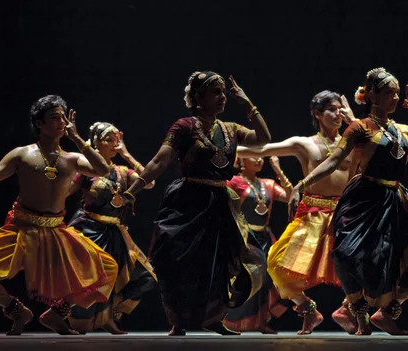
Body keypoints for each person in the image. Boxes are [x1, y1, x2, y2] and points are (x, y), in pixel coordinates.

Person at [0, 95, 119, 336]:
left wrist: (78, 139)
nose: (61, 122)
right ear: (39, 124)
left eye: (63, 117)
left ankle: (57, 315)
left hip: (55, 232)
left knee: (107, 269)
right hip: (21, 229)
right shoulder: (22, 155)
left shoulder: (72, 158)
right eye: (54, 118)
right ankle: (16, 309)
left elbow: (103, 169)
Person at [288, 68, 408, 336]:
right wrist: (301, 185)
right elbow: (333, 160)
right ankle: (359, 312)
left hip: (395, 202)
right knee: (345, 253)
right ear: (372, 95)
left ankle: (387, 312)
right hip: (362, 199)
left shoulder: (405, 131)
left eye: (397, 93)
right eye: (388, 93)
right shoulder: (359, 128)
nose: (395, 98)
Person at [122, 71, 272, 335]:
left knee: (220, 262)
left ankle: (215, 318)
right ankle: (179, 320)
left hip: (220, 203)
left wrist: (248, 104)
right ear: (197, 97)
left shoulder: (231, 129)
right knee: (178, 261)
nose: (223, 96)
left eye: (224, 92)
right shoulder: (184, 127)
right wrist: (132, 190)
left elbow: (263, 140)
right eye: (216, 91)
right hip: (188, 201)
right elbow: (159, 161)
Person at [237, 90, 359, 334]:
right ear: (317, 114)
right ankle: (306, 309)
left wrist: (353, 119)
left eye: (339, 109)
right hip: (312, 213)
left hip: (345, 213)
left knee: (359, 266)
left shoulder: (353, 140)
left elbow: (375, 143)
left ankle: (349, 309)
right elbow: (261, 150)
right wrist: (224, 151)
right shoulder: (303, 144)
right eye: (331, 110)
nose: (338, 113)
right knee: (275, 262)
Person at [67, 122, 157, 334]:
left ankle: (108, 314)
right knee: (95, 280)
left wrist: (127, 154)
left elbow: (149, 182)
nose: (115, 143)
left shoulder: (123, 172)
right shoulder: (86, 170)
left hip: (116, 232)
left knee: (146, 277)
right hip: (89, 230)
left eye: (117, 139)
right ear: (96, 144)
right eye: (109, 139)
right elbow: (64, 192)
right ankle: (81, 319)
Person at [222, 156, 292, 334]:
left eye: (261, 156)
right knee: (258, 276)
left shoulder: (267, 183)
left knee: (279, 279)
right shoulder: (234, 182)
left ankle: (263, 321)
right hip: (245, 237)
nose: (259, 159)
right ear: (242, 160)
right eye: (254, 155)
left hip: (266, 237)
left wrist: (278, 170)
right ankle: (228, 318)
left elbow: (290, 196)